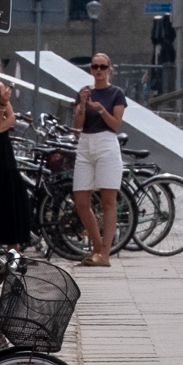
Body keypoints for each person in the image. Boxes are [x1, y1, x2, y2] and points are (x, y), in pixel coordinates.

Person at [72, 51, 128, 267]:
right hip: (85, 142)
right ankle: (97, 247)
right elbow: (78, 125)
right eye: (95, 66)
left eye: (102, 67)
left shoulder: (116, 93)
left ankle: (105, 251)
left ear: (109, 69)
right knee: (81, 200)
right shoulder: (84, 92)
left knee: (108, 201)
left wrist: (102, 110)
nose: (98, 70)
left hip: (106, 143)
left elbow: (115, 124)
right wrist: (82, 104)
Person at [0, 53, 33, 248]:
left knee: (12, 191)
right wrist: (0, 115)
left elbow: (11, 120)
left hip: (4, 146)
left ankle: (14, 244)